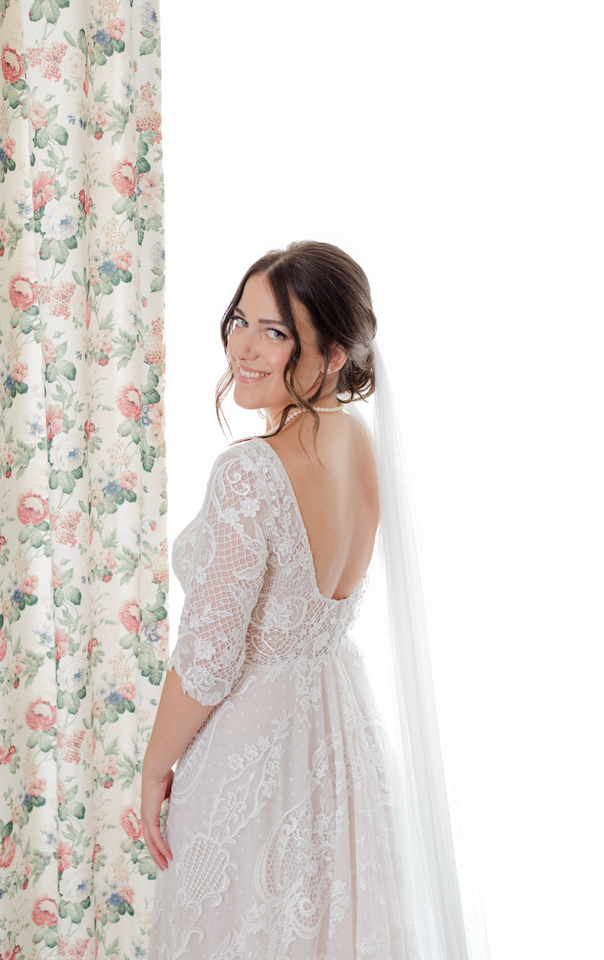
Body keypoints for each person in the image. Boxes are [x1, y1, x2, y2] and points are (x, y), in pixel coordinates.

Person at [143, 241, 483, 960]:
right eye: (240, 320)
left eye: (275, 332)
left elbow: (207, 660)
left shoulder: (248, 472)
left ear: (331, 355)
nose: (243, 347)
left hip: (251, 762)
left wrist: (152, 771)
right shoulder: (358, 442)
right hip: (340, 744)